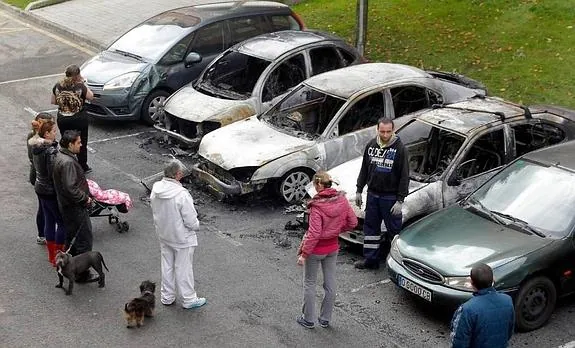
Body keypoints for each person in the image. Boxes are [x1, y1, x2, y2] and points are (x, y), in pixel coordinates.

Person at [296, 171, 357, 329]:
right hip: (333, 248)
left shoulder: (317, 206)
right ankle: (325, 319)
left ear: (318, 185)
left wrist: (304, 254)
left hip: (316, 250)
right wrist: (336, 230)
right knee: (330, 283)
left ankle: (308, 319)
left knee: (309, 283)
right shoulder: (342, 200)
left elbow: (314, 233)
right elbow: (353, 222)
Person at [150, 159, 206, 309]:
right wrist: (197, 226)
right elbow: (190, 220)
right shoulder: (181, 195)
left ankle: (167, 296)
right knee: (184, 268)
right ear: (178, 174)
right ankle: (189, 299)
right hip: (182, 238)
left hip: (164, 234)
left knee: (167, 265)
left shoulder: (156, 189)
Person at [354, 118, 409, 270]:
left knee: (394, 232)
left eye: (388, 131)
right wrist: (359, 190)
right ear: (377, 130)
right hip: (372, 195)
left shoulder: (400, 149)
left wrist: (400, 200)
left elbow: (405, 176)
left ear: (393, 130)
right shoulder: (371, 145)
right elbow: (364, 169)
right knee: (371, 230)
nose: (385, 135)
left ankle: (397, 264)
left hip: (389, 198)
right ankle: (371, 261)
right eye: (382, 131)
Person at [52, 130, 95, 282]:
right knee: (84, 240)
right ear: (70, 144)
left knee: (72, 239)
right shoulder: (68, 162)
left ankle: (70, 268)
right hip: (75, 207)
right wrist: (85, 199)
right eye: (78, 142)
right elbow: (70, 188)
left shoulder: (61, 156)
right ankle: (82, 274)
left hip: (66, 205)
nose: (81, 145)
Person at [450, 263, 515, 348]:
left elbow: (459, 341)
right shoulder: (508, 300)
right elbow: (509, 331)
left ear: (472, 283)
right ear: (493, 280)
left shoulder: (467, 309)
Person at [31, 120, 67, 266]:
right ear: (46, 133)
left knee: (49, 220)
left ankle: (52, 256)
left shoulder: (36, 147)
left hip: (40, 187)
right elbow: (55, 173)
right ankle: (58, 255)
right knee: (62, 223)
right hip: (51, 190)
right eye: (53, 131)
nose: (55, 133)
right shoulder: (51, 151)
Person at [51, 64, 94, 173]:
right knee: (81, 142)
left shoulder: (58, 86)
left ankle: (66, 163)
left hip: (63, 119)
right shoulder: (80, 86)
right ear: (78, 75)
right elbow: (91, 96)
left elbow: (53, 101)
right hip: (79, 119)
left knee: (67, 141)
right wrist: (84, 83)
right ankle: (82, 166)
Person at [27, 112, 54, 245]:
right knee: (44, 208)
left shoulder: (38, 139)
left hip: (39, 177)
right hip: (40, 177)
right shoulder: (37, 140)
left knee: (44, 207)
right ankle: (42, 234)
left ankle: (43, 234)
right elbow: (33, 158)